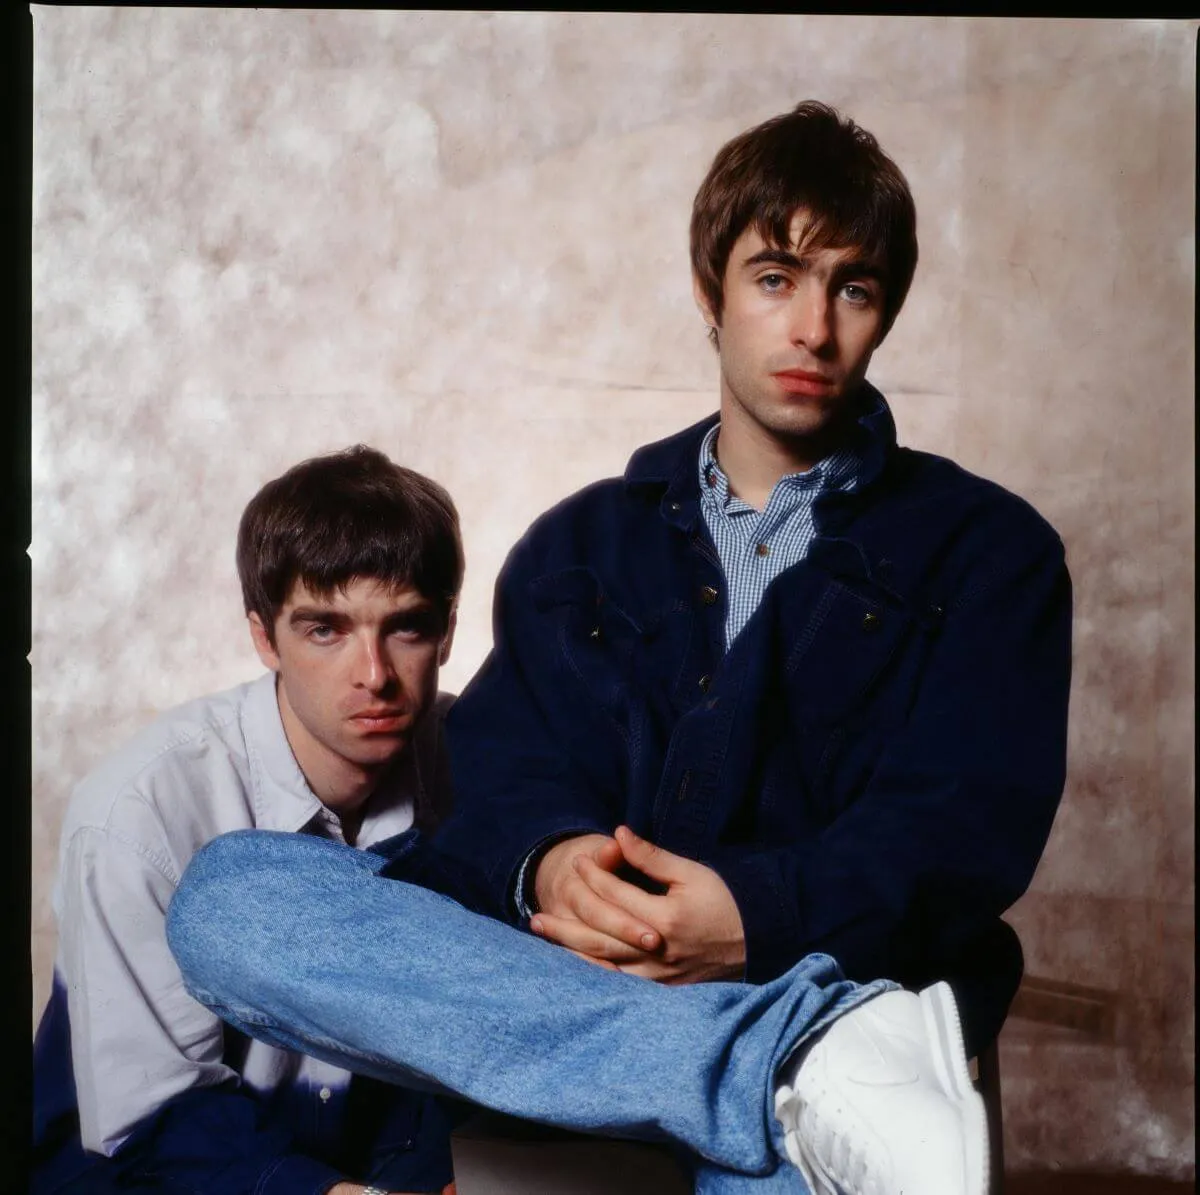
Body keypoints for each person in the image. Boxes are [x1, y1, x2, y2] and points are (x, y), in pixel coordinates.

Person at [166, 98, 1072, 1195]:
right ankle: (775, 1060)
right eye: (776, 277)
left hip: (833, 971)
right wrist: (550, 861)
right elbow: (499, 768)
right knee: (230, 897)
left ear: (887, 314)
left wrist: (749, 919)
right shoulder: (579, 542)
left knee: (811, 1151)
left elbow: (962, 828)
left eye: (855, 288)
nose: (814, 328)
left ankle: (782, 1055)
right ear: (711, 289)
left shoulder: (992, 551)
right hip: (585, 997)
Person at [32, 446, 465, 1195]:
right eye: (324, 630)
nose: (374, 675)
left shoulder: (481, 766)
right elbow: (148, 1114)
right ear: (264, 637)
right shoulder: (142, 810)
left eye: (406, 627)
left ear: (447, 633)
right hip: (144, 1175)